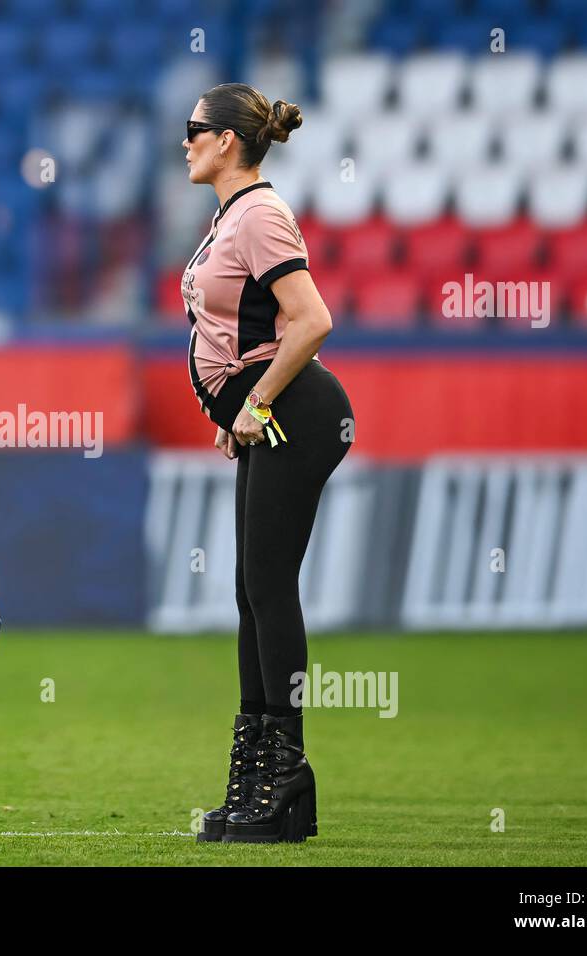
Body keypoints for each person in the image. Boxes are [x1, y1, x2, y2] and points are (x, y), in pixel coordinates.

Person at [180, 83, 355, 843]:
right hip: (268, 418)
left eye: (195, 128)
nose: (185, 140)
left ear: (226, 141)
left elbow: (312, 319)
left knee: (269, 589)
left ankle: (283, 777)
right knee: (252, 592)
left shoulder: (258, 213)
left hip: (297, 415)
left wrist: (255, 401)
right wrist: (236, 409)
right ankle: (256, 778)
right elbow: (241, 331)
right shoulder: (232, 215)